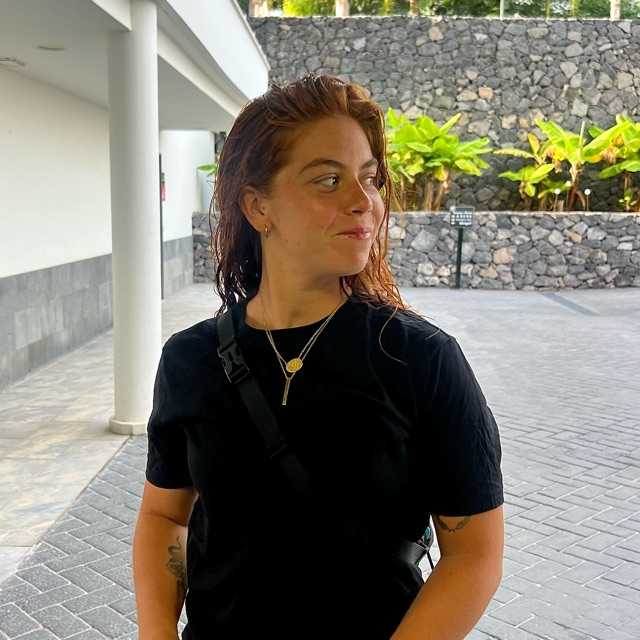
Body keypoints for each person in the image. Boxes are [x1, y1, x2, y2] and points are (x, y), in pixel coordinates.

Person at [133, 73, 505, 640]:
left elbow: (473, 555)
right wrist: (156, 632)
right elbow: (164, 515)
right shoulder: (190, 360)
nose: (363, 201)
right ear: (258, 206)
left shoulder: (419, 359)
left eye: (370, 179)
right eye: (329, 180)